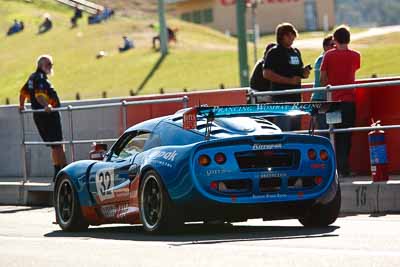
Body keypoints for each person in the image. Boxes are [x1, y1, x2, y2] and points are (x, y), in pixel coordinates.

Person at [320, 25, 361, 177]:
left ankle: (334, 169)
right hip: (349, 102)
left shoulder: (328, 56)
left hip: (333, 103)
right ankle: (345, 168)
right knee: (347, 135)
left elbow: (323, 79)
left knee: (333, 135)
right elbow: (354, 69)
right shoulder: (356, 56)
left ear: (335, 40)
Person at [19, 55, 67, 180]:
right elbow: (39, 96)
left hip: (40, 116)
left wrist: (21, 106)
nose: (51, 67)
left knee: (55, 145)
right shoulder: (40, 78)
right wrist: (47, 106)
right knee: (58, 144)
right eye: (49, 64)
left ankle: (59, 171)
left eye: (52, 64)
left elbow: (23, 92)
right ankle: (63, 172)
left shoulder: (32, 77)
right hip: (48, 116)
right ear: (41, 65)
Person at [262, 22, 310, 131]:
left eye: (293, 34)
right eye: (289, 35)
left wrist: (304, 73)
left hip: (296, 98)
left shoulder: (296, 51)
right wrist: (289, 81)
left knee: (296, 131)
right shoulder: (273, 52)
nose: (292, 37)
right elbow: (266, 73)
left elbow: (299, 71)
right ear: (282, 36)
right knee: (284, 131)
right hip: (281, 98)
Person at [311, 35, 335, 133]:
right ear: (325, 47)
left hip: (327, 100)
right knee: (325, 132)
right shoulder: (322, 59)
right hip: (321, 100)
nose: (335, 47)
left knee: (331, 131)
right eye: (332, 45)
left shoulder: (323, 58)